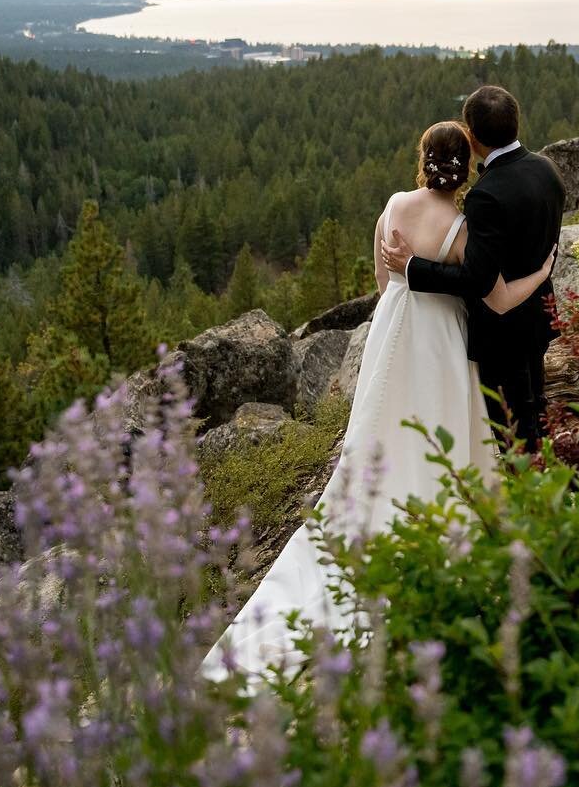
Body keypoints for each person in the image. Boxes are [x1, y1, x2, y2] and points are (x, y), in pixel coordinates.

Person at [201, 120, 554, 681]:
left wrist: (403, 282)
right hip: (439, 341)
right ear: (464, 169)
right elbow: (500, 297)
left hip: (393, 332)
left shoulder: (392, 206)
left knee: (378, 428)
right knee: (437, 426)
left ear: (423, 160)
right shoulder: (461, 228)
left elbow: (381, 278)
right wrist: (542, 271)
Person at [382, 85, 566, 450]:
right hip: (538, 318)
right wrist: (541, 274)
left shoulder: (487, 194)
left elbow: (478, 279)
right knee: (535, 410)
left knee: (510, 428)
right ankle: (546, 486)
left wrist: (412, 267)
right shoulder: (547, 169)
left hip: (502, 334)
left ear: (473, 136)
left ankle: (530, 492)